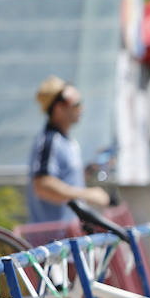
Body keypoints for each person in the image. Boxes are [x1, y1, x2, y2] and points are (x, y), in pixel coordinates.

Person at [27, 76, 110, 224]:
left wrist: (89, 170)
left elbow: (64, 180)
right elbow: (42, 185)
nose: (81, 108)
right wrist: (88, 194)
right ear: (58, 108)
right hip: (54, 241)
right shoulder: (50, 140)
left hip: (68, 237)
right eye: (76, 103)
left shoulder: (66, 141)